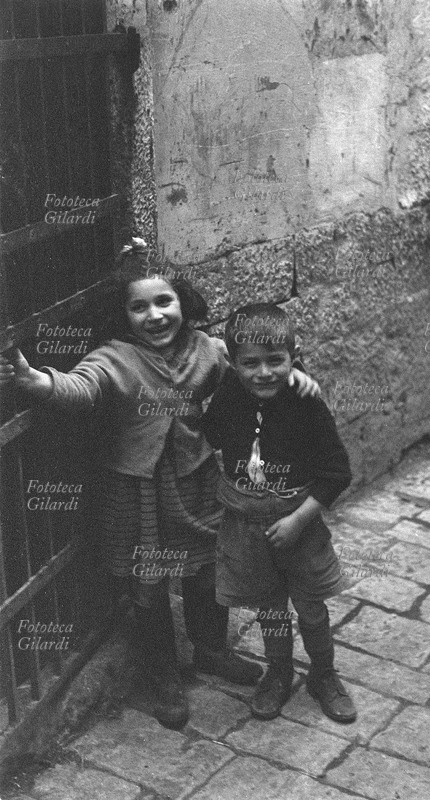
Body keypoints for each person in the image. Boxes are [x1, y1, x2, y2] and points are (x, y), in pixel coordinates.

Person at [0, 240, 319, 730]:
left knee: (206, 569)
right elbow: (80, 389)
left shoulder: (206, 350)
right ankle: (163, 677)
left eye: (164, 302)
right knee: (146, 586)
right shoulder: (115, 358)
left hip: (197, 480)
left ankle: (210, 649)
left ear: (183, 304)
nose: (154, 315)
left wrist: (296, 376)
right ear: (124, 316)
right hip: (136, 490)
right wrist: (38, 382)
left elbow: (255, 370)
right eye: (139, 307)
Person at [201, 302, 357, 723]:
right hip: (246, 522)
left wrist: (298, 521)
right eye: (250, 363)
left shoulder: (306, 401)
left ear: (295, 355)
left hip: (297, 520)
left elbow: (337, 472)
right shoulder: (230, 393)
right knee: (269, 606)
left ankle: (323, 674)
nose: (264, 372)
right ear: (233, 364)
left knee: (310, 606)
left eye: (277, 361)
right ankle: (279, 672)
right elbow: (211, 431)